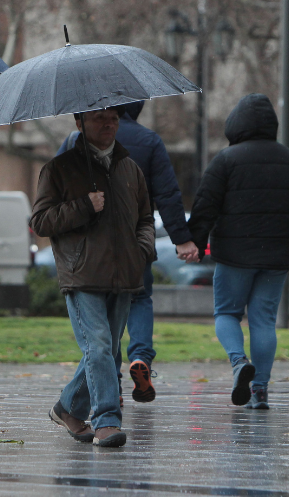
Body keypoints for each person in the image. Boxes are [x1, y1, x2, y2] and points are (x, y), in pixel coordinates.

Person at [57, 101, 198, 404]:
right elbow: (167, 193)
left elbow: (55, 190)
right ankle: (141, 357)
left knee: (106, 319)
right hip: (132, 243)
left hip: (89, 250)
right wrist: (181, 239)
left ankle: (111, 385)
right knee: (139, 299)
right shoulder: (148, 141)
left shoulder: (72, 142)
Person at [33, 107, 154, 448]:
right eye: (99, 117)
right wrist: (84, 205)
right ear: (79, 122)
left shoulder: (130, 169)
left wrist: (142, 249)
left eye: (113, 117)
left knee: (109, 351)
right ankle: (106, 421)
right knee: (99, 346)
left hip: (125, 273)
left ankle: (67, 408)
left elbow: (146, 217)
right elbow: (41, 221)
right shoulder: (58, 168)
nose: (108, 123)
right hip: (82, 273)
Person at [186, 94, 289, 411]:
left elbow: (205, 206)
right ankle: (259, 391)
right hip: (277, 257)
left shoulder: (226, 160)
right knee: (264, 321)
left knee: (227, 313)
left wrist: (194, 243)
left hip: (234, 256)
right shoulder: (287, 158)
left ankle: (238, 362)